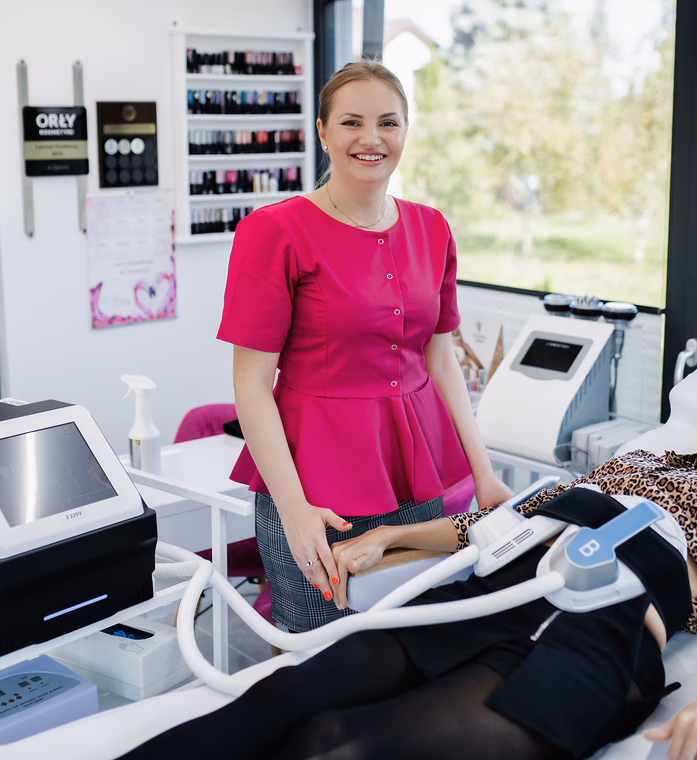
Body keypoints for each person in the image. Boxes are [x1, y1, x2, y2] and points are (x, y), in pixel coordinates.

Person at [111, 360, 697, 760]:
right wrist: (390, 539)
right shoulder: (641, 464)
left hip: (595, 638)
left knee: (334, 745)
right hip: (488, 592)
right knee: (279, 697)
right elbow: (506, 525)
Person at [216, 60, 511, 632]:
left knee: (410, 632)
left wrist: (484, 473)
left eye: (388, 123)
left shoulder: (432, 228)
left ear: (405, 132)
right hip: (315, 485)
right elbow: (250, 385)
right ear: (323, 132)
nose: (371, 138)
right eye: (351, 122)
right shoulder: (274, 231)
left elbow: (440, 359)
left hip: (415, 474)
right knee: (318, 641)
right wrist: (295, 511)